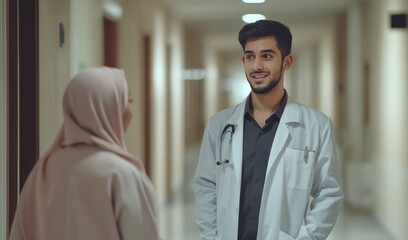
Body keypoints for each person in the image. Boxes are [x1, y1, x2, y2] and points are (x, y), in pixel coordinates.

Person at [194, 20, 343, 240]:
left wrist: (307, 237)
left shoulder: (316, 126)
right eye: (250, 57)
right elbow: (206, 187)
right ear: (243, 60)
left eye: (267, 56)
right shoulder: (219, 125)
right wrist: (211, 236)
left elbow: (328, 193)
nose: (256, 66)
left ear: (287, 61)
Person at [9, 67, 159, 240]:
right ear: (107, 107)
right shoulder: (120, 174)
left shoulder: (42, 171)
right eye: (127, 100)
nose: (130, 110)